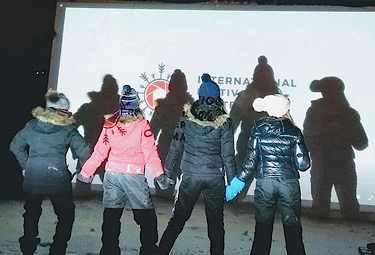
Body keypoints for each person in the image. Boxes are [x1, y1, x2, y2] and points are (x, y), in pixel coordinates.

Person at [77, 84, 173, 255]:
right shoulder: (142, 124)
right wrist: (160, 177)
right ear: (136, 104)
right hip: (133, 176)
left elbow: (99, 151)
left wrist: (86, 172)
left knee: (111, 216)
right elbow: (150, 153)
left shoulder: (110, 123)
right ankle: (149, 250)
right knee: (146, 218)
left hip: (112, 176)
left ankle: (108, 250)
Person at [157, 73, 237, 255]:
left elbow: (175, 147)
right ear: (217, 97)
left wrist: (167, 172)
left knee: (178, 219)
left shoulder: (186, 117)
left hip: (191, 175)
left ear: (200, 95)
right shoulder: (224, 121)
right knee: (216, 223)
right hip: (215, 177)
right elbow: (228, 155)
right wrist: (233, 182)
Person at [226, 94, 310, 255]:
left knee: (262, 230)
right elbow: (303, 165)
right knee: (293, 230)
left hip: (265, 184)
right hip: (288, 184)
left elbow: (250, 162)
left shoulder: (258, 129)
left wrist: (237, 183)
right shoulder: (294, 131)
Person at [9, 90, 91, 255]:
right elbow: (84, 151)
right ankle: (58, 248)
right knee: (66, 215)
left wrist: (26, 166)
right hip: (57, 178)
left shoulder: (31, 126)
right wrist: (84, 169)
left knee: (31, 212)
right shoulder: (67, 128)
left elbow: (15, 146)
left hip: (33, 177)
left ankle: (28, 245)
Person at [303, 77, 368, 220]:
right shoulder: (347, 113)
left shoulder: (319, 112)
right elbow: (361, 143)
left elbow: (361, 142)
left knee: (334, 207)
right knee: (344, 207)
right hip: (333, 163)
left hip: (331, 163)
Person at [150, 69, 194, 198]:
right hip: (187, 149)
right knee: (187, 195)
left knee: (163, 192)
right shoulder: (193, 107)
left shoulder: (163, 106)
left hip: (166, 147)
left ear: (170, 86)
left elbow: (152, 130)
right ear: (185, 86)